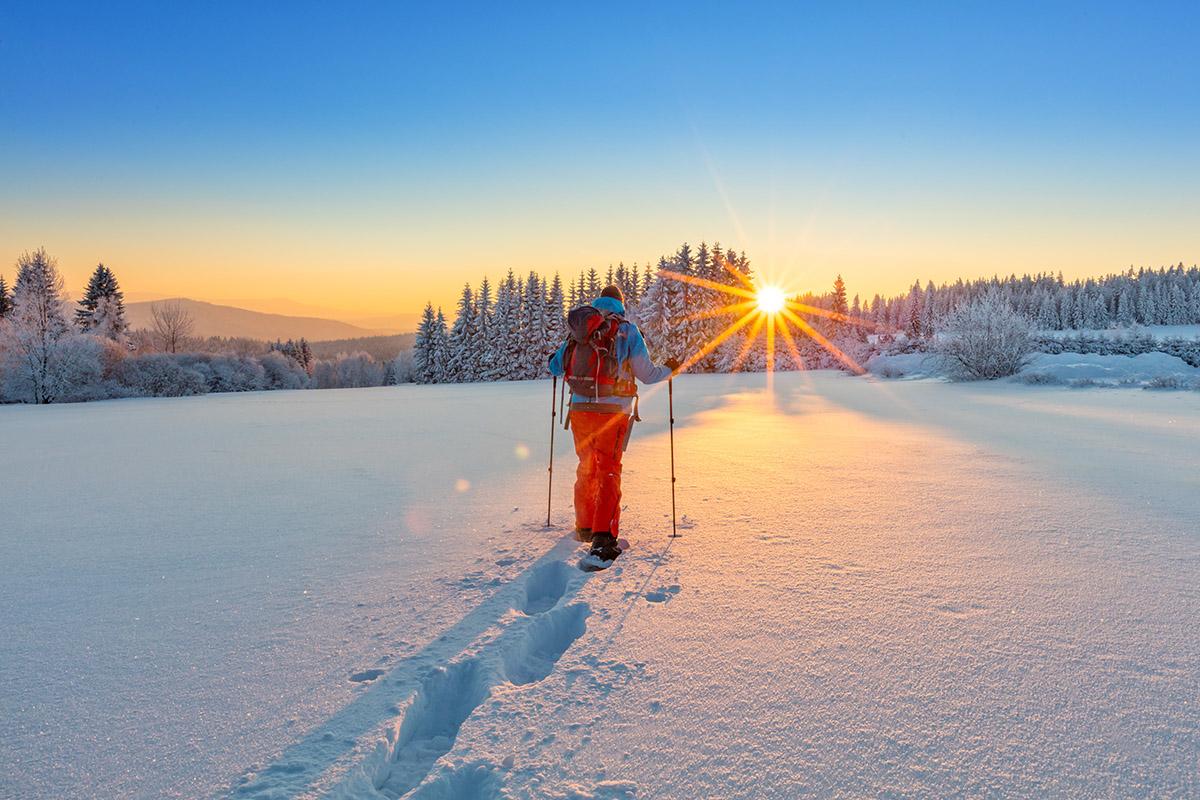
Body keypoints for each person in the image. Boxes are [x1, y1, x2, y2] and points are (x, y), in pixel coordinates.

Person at [548, 285, 679, 563]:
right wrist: (670, 369)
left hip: (580, 411)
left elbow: (556, 367)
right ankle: (603, 540)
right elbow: (647, 374)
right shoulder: (626, 330)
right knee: (608, 469)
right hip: (612, 412)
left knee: (586, 465)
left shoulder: (580, 328)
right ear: (620, 304)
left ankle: (585, 526)